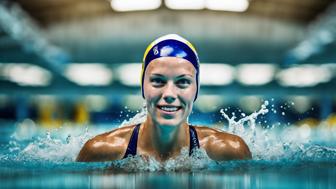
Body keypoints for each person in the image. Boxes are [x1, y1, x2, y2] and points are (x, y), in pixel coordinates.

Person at [76, 34, 251, 162]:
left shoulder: (229, 151)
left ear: (196, 90)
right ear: (143, 87)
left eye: (182, 82)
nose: (168, 94)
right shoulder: (100, 152)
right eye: (158, 81)